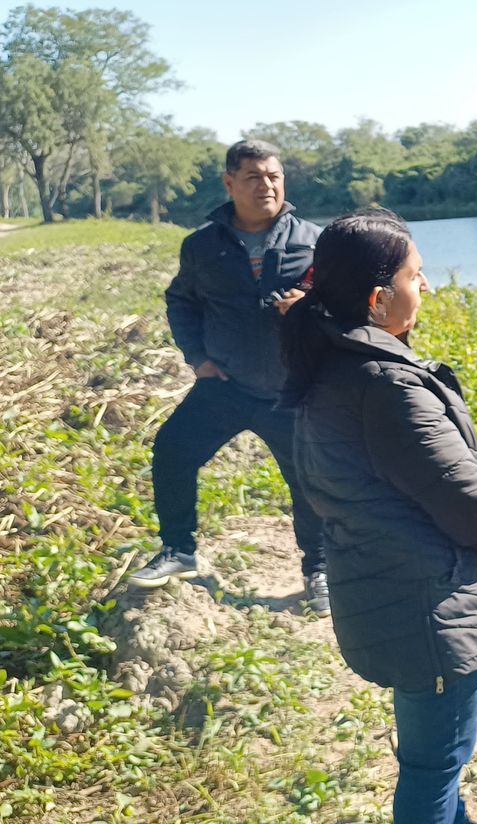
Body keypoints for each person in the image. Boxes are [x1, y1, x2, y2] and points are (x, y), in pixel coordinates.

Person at [279, 208, 477, 824]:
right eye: (417, 277)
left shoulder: (335, 362)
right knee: (434, 762)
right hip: (426, 598)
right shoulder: (385, 384)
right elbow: (461, 492)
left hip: (393, 581)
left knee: (433, 748)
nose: (426, 289)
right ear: (377, 296)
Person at [127, 140, 331, 616]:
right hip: (226, 385)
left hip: (292, 388)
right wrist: (197, 357)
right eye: (254, 177)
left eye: (274, 176)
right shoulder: (201, 245)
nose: (267, 185)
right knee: (172, 450)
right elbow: (182, 301)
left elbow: (345, 300)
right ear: (230, 182)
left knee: (309, 481)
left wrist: (310, 306)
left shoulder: (314, 240)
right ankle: (179, 551)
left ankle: (319, 571)